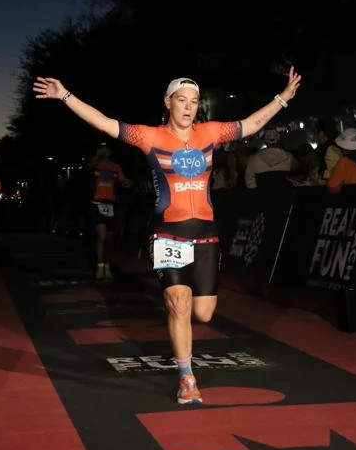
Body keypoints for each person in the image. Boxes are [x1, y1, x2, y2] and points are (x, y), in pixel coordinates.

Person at [33, 67, 302, 405]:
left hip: (205, 235)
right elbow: (103, 122)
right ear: (168, 103)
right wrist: (65, 95)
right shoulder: (150, 137)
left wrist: (283, 98)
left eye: (194, 101)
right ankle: (187, 377)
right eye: (181, 100)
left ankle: (183, 334)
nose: (189, 107)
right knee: (178, 304)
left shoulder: (210, 132)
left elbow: (250, 125)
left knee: (203, 313)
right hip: (167, 236)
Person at [89, 144, 131, 281]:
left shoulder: (115, 167)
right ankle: (100, 267)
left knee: (109, 237)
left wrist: (128, 183)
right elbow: (88, 170)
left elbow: (123, 180)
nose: (104, 151)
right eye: (101, 149)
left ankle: (106, 266)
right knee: (101, 234)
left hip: (111, 204)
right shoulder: (94, 165)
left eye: (107, 148)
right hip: (97, 202)